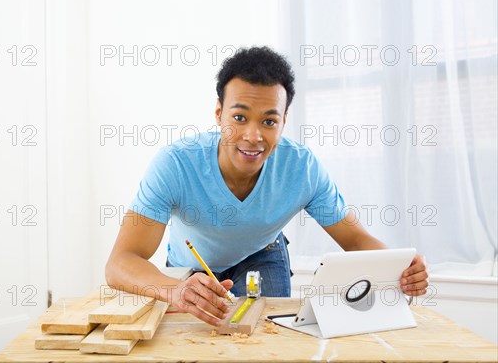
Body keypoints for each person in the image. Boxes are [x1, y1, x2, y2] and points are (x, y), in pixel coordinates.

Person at [105, 46, 429, 327]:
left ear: (284, 121)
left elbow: (356, 240)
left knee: (265, 334)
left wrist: (400, 268)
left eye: (269, 121)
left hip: (262, 254)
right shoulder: (175, 164)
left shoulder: (302, 168)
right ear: (219, 114)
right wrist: (173, 290)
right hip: (191, 264)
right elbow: (121, 261)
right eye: (240, 118)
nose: (253, 136)